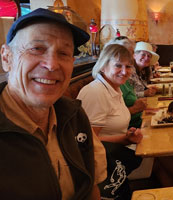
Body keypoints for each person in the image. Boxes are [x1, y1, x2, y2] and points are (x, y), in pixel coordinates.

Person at [0, 8, 106, 199]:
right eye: (37, 49)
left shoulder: (73, 115)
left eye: (63, 53)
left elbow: (91, 188)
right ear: (7, 58)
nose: (51, 64)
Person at [77, 44, 143, 199]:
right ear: (103, 66)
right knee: (162, 161)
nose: (124, 71)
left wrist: (128, 135)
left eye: (128, 66)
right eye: (118, 65)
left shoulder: (114, 88)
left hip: (120, 151)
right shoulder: (96, 92)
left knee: (164, 160)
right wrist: (125, 139)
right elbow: (88, 142)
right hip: (107, 164)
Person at [106, 37, 147, 128]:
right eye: (118, 65)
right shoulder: (98, 90)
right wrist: (134, 109)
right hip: (130, 129)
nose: (124, 71)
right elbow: (93, 136)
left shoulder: (122, 81)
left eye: (130, 54)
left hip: (138, 125)